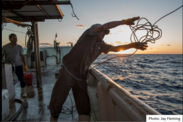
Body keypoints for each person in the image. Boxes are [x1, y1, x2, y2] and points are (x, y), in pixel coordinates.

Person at [49, 17, 148, 121]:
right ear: (96, 31)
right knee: (57, 102)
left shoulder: (102, 45)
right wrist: (123, 22)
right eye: (102, 32)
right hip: (68, 71)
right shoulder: (88, 34)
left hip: (81, 77)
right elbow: (104, 26)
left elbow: (116, 48)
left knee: (84, 107)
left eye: (105, 33)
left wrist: (133, 45)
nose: (103, 34)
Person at [2, 33, 28, 98]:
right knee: (8, 80)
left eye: (16, 38)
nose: (16, 39)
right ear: (10, 39)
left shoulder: (19, 47)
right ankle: (10, 92)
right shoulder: (5, 47)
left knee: (21, 78)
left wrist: (25, 65)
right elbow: (2, 56)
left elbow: (22, 56)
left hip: (18, 65)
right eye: (14, 37)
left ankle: (24, 92)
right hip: (8, 66)